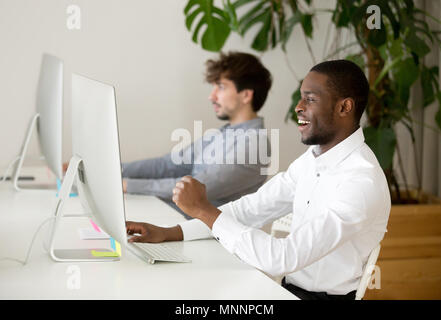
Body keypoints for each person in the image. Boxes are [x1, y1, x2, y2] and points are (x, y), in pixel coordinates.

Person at [126, 60, 391, 300]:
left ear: (345, 107)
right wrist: (172, 232)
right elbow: (250, 209)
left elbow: (282, 257)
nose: (298, 107)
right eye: (301, 98)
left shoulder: (361, 181)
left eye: (310, 99)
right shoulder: (312, 159)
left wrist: (204, 210)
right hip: (286, 289)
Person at [121, 51, 273, 219]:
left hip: (203, 236)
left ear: (245, 95)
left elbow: (195, 189)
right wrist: (118, 170)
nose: (211, 96)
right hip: (176, 219)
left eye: (221, 87)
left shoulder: (253, 144)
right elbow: (169, 164)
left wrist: (129, 185)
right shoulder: (224, 133)